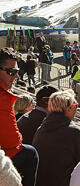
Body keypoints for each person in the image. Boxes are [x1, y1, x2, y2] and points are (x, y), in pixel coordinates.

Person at [31, 89, 80, 186]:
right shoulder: (75, 132)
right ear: (68, 108)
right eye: (76, 106)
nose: (77, 109)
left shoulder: (40, 129)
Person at [1, 48, 38, 186]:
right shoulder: (2, 97)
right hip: (4, 153)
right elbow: (12, 142)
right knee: (31, 153)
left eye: (17, 71)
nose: (16, 76)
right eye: (11, 72)